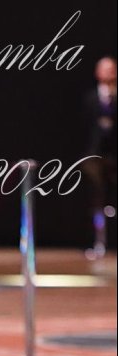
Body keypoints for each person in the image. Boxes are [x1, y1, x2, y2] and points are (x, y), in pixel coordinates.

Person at [82, 56, 116, 257]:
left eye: (112, 69)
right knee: (96, 199)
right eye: (105, 69)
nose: (109, 73)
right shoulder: (89, 99)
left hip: (114, 157)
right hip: (94, 157)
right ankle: (98, 242)